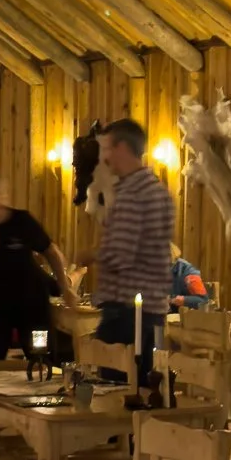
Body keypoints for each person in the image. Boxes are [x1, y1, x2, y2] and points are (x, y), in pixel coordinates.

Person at [94, 118, 175, 383]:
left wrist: (90, 255)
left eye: (107, 149)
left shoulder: (132, 194)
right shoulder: (159, 192)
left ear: (122, 148)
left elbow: (120, 255)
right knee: (147, 390)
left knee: (116, 394)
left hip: (126, 314)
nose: (105, 158)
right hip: (154, 312)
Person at [0, 169, 71, 359]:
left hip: (32, 303)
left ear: (3, 194)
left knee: (42, 357)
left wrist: (65, 287)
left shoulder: (21, 221)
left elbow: (51, 252)